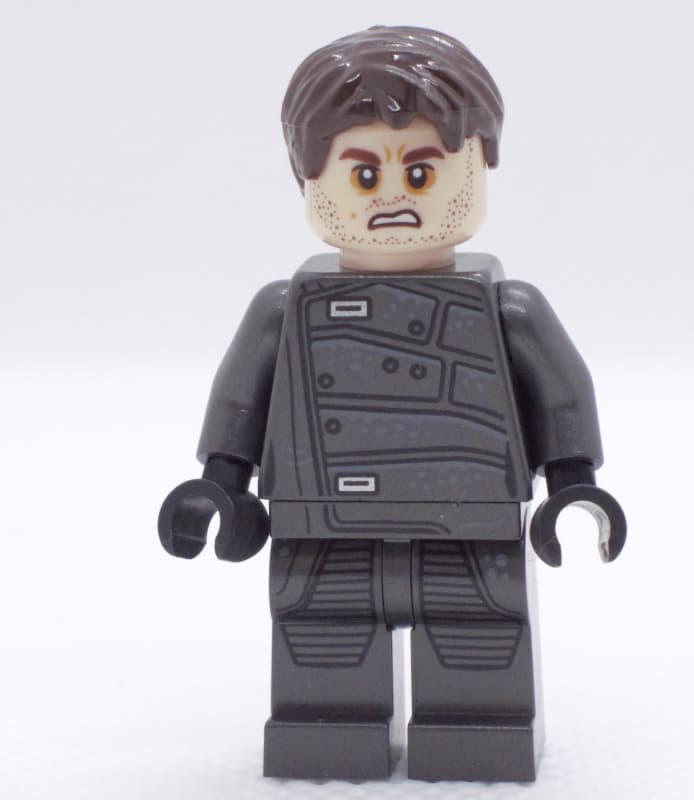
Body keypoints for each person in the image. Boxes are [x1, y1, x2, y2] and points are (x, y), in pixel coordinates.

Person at [159, 25, 626, 782]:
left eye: (422, 170)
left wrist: (573, 485)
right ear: (307, 177)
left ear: (481, 163)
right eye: (364, 174)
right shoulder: (285, 309)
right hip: (320, 522)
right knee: (321, 642)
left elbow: (561, 395)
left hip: (471, 521)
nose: (394, 198)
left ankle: (478, 730)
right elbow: (241, 398)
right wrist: (220, 482)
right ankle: (329, 729)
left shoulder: (507, 309)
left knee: (479, 640)